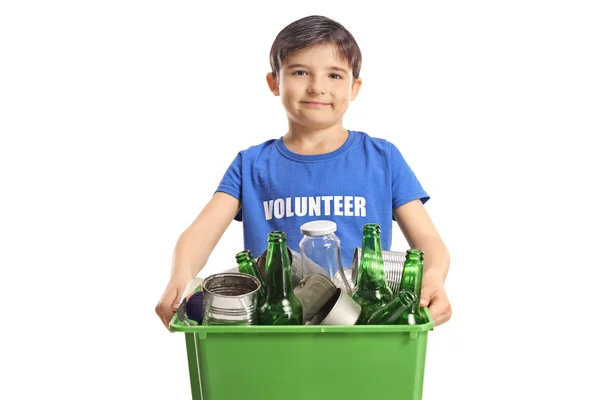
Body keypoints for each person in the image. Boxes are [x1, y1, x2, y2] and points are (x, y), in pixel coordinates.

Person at [155, 15, 452, 330]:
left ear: (355, 87)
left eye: (335, 75)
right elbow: (199, 235)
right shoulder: (251, 164)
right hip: (275, 334)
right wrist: (180, 275)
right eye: (299, 72)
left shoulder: (382, 159)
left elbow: (429, 240)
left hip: (363, 331)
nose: (317, 87)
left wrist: (433, 278)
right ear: (275, 83)